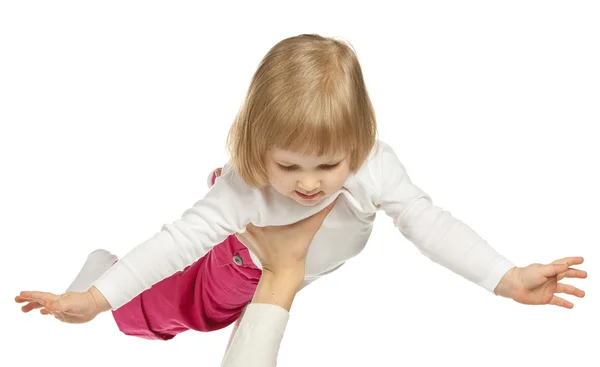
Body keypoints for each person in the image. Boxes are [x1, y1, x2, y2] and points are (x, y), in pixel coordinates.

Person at [17, 33, 586, 348]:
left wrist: (505, 277)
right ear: (258, 150)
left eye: (328, 164)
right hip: (233, 261)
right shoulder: (246, 190)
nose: (309, 184)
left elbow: (429, 223)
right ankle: (100, 270)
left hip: (292, 267)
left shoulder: (373, 165)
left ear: (358, 141)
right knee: (159, 320)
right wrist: (95, 301)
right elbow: (175, 243)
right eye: (288, 166)